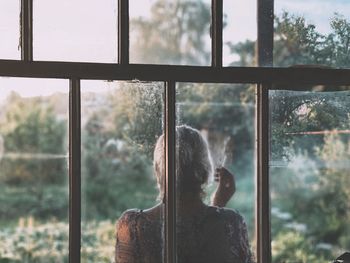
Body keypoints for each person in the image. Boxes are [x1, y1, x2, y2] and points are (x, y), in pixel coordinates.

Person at [115, 125, 254, 263]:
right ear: (205, 170)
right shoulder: (230, 222)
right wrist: (218, 206)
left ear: (159, 170)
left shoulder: (132, 226)